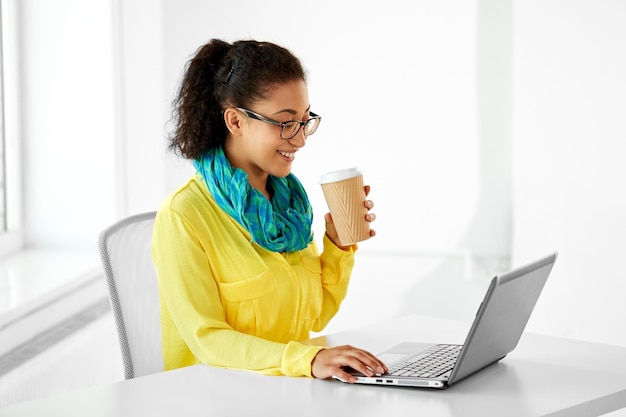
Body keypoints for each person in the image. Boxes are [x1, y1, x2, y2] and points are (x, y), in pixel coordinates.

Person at [152, 38, 388, 382]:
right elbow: (208, 341)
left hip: (286, 393)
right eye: (284, 122)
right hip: (213, 398)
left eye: (305, 121)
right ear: (235, 121)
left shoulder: (288, 207)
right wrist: (307, 360)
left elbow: (313, 318)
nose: (301, 138)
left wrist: (338, 247)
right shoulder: (183, 216)